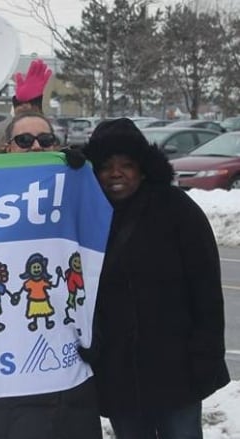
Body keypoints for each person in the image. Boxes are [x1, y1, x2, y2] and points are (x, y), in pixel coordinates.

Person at [0, 111, 101, 439]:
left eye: (45, 141)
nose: (35, 147)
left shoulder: (69, 185)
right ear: (6, 147)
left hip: (60, 357)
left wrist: (87, 172)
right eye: (24, 141)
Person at [82, 118, 229, 439]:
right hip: (118, 372)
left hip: (176, 370)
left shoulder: (179, 212)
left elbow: (205, 290)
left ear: (144, 168)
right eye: (106, 166)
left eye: (127, 164)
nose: (116, 173)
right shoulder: (85, 217)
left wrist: (206, 353)